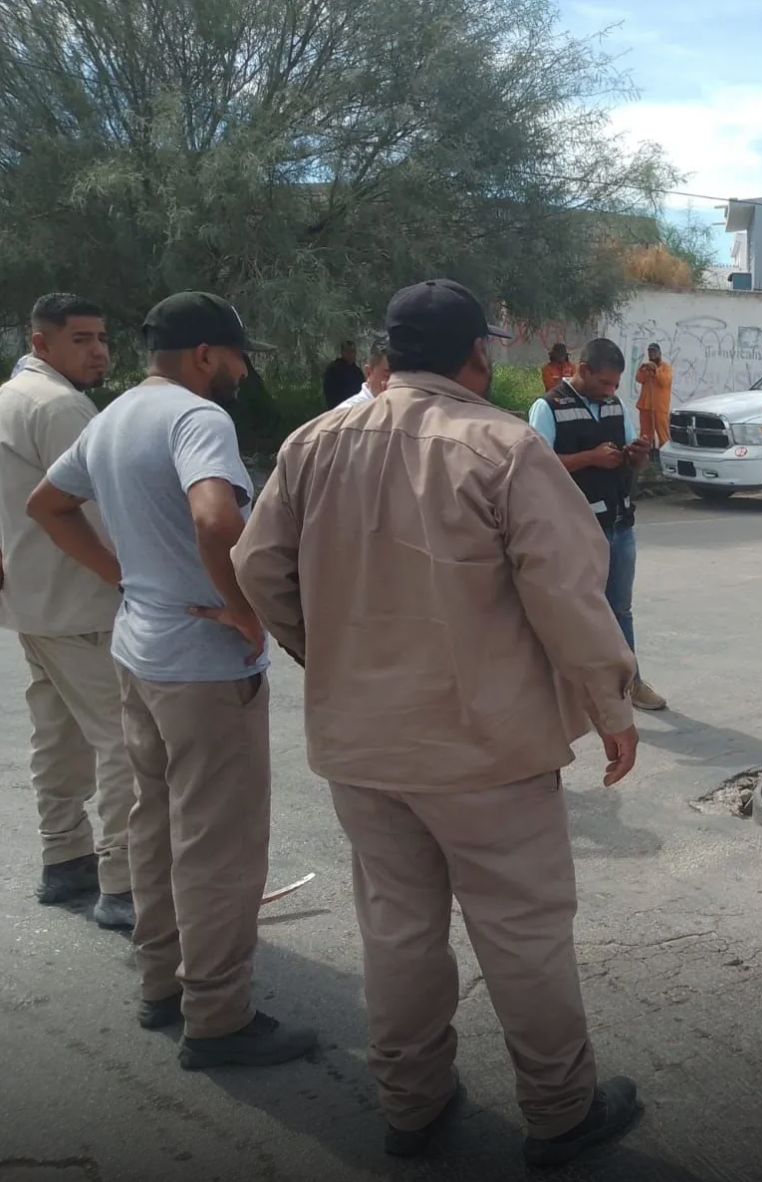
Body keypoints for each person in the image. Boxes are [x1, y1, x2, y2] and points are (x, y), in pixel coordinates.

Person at [233, 278, 643, 1166]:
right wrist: (611, 703)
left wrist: (325, 655)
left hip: (363, 746)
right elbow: (569, 593)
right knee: (523, 934)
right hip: (484, 748)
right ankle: (561, 1113)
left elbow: (258, 568)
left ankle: (412, 1107)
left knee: (396, 929)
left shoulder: (312, 443)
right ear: (477, 355)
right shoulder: (502, 446)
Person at [27, 291, 316, 1070]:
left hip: (139, 656)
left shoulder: (113, 414)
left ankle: (162, 985)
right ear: (203, 356)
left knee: (153, 826)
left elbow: (46, 505)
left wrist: (125, 578)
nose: (242, 369)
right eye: (236, 356)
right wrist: (247, 612)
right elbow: (217, 518)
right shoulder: (198, 418)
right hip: (203, 668)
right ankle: (218, 1019)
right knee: (217, 847)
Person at [0, 294, 136, 929]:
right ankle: (124, 880)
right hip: (81, 600)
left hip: (33, 600)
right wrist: (131, 579)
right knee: (125, 742)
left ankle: (64, 858)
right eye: (81, 338)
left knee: (57, 733)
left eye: (102, 336)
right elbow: (96, 512)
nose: (99, 350)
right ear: (41, 342)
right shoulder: (60, 406)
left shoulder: (9, 397)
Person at [530, 339, 668, 713]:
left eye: (615, 385)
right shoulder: (549, 406)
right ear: (584, 370)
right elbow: (536, 468)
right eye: (606, 383)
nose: (611, 391)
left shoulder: (613, 405)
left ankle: (630, 684)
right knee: (577, 612)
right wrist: (589, 458)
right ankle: (577, 693)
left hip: (620, 524)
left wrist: (636, 456)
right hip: (575, 530)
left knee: (619, 609)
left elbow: (629, 461)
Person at [337, 335, 391, 409]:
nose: (396, 383)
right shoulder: (348, 412)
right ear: (369, 372)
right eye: (388, 376)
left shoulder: (356, 370)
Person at [635, 343, 673, 447]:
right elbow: (639, 379)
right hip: (645, 406)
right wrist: (642, 369)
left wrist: (655, 370)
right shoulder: (647, 368)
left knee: (663, 434)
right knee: (645, 434)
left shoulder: (666, 367)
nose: (651, 354)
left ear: (660, 354)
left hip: (659, 407)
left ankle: (664, 455)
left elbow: (665, 382)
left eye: (654, 352)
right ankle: (647, 455)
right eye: (650, 352)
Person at [322, 339, 363, 409]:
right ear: (342, 352)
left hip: (356, 407)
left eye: (353, 351)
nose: (351, 354)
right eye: (348, 351)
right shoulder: (334, 369)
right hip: (339, 408)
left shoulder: (357, 371)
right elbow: (329, 391)